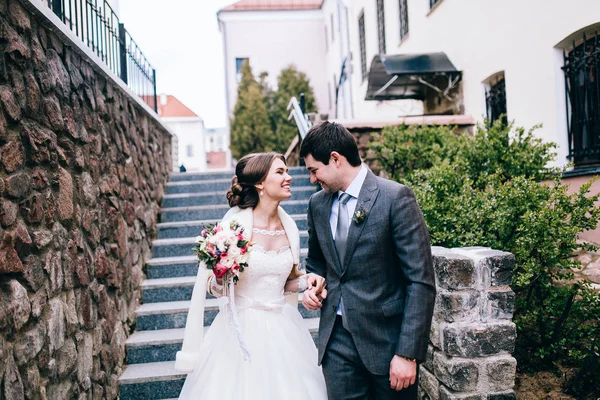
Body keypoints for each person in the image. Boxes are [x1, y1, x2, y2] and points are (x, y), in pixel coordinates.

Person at [299, 122, 436, 400]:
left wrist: (407, 353)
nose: (313, 179)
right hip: (336, 344)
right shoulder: (317, 204)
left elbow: (420, 280)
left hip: (387, 344)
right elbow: (317, 262)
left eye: (315, 170)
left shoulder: (395, 197)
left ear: (336, 159)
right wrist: (313, 284)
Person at [176, 152, 328, 400]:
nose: (288, 177)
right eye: (280, 172)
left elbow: (279, 282)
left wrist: (306, 281)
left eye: (287, 171)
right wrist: (221, 276)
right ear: (260, 183)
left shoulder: (289, 228)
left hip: (283, 327)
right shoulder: (233, 228)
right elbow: (213, 286)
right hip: (240, 330)